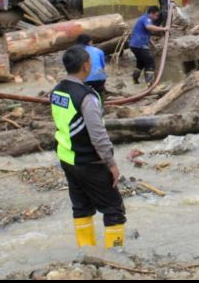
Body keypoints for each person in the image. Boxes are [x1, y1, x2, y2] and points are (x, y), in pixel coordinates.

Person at [51, 45, 126, 248]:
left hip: (67, 158)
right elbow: (98, 134)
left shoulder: (57, 91)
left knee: (81, 207)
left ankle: (86, 251)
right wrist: (111, 163)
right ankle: (115, 255)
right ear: (85, 66)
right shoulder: (87, 96)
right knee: (114, 209)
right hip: (89, 161)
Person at [129, 6, 168, 85]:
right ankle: (149, 83)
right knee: (150, 63)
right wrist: (164, 29)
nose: (157, 18)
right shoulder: (146, 19)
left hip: (134, 45)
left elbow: (145, 35)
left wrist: (153, 45)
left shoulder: (144, 19)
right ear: (151, 14)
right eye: (156, 15)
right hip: (139, 45)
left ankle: (134, 79)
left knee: (141, 62)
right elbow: (149, 27)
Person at [76, 34, 107, 100]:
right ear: (90, 42)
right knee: (99, 93)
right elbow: (103, 67)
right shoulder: (99, 51)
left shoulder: (76, 52)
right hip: (100, 78)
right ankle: (100, 104)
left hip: (85, 80)